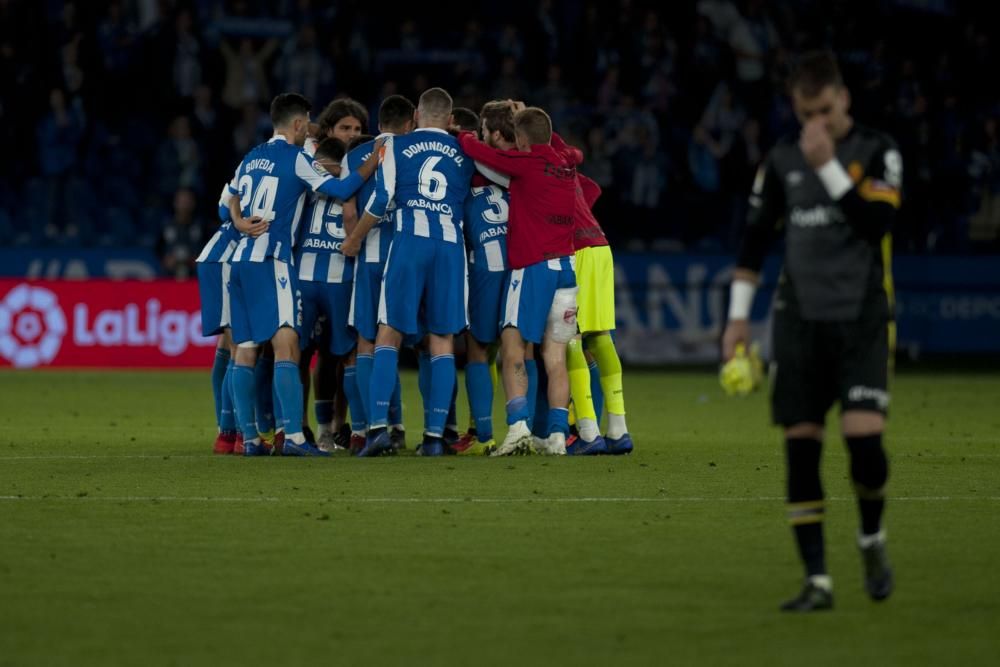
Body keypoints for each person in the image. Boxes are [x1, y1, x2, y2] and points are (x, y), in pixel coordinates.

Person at [721, 51, 902, 612]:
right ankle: (817, 581)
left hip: (861, 319)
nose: (816, 125)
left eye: (825, 111)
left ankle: (871, 537)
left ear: (843, 98)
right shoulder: (780, 158)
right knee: (801, 453)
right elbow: (754, 239)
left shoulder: (879, 151)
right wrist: (737, 317)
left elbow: (876, 224)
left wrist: (827, 167)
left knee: (864, 445)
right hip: (797, 321)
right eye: (807, 114)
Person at [226, 93, 378, 457]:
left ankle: (250, 439)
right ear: (297, 124)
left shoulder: (251, 156)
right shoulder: (297, 159)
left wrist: (237, 220)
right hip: (274, 260)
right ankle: (293, 436)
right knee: (288, 348)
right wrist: (375, 159)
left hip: (241, 260)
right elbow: (342, 189)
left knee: (244, 352)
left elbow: (228, 197)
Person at [343, 87, 474, 457]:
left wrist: (354, 239)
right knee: (442, 339)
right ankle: (435, 438)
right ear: (450, 120)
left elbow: (382, 199)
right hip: (450, 247)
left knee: (388, 334)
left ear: (416, 114)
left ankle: (378, 430)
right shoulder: (465, 150)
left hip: (408, 245)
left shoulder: (393, 147)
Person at [457, 106, 579, 457]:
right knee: (554, 355)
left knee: (511, 348)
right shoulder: (567, 161)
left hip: (532, 269)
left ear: (521, 138)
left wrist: (464, 134)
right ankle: (556, 435)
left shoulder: (526, 165)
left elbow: (479, 151)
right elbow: (574, 150)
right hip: (566, 270)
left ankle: (518, 427)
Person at [549, 132, 634, 456]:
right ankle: (618, 429)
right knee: (600, 338)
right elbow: (588, 179)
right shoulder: (563, 161)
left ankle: (587, 431)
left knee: (570, 338)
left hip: (577, 251)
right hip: (600, 245)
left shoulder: (535, 163)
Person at [341, 95, 417, 454]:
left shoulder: (355, 156)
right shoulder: (411, 151)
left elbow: (349, 211)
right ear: (409, 124)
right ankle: (407, 427)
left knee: (367, 343)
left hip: (367, 259)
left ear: (377, 123)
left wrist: (353, 243)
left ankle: (370, 427)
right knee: (400, 341)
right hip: (404, 255)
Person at [451, 101, 513, 455]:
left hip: (485, 266)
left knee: (478, 348)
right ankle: (532, 429)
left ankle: (482, 436)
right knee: (521, 350)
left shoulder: (464, 171)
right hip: (521, 264)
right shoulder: (514, 167)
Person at [294, 137, 362, 453]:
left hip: (303, 276)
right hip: (340, 276)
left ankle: (292, 430)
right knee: (346, 356)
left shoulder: (304, 186)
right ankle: (353, 431)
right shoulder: (352, 185)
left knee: (293, 355)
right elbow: (352, 218)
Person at [196, 182, 242, 454]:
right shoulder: (259, 163)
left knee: (228, 346)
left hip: (222, 255)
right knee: (240, 348)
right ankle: (230, 433)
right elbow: (223, 209)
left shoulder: (253, 163)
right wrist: (241, 221)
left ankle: (227, 432)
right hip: (228, 257)